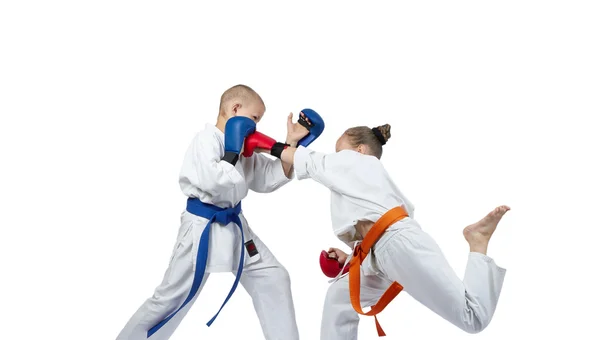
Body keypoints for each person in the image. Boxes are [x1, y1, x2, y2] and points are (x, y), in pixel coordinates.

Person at [260, 123, 509, 339]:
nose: (336, 158)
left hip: (396, 243)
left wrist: (264, 143)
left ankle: (478, 241)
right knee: (339, 296)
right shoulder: (364, 181)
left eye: (340, 151)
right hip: (381, 253)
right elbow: (371, 226)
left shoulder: (355, 162)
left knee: (472, 318)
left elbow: (311, 162)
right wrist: (350, 259)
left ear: (360, 150)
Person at [115, 84, 320, 340]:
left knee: (273, 277)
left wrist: (290, 144)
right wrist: (233, 152)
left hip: (236, 226)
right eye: (254, 118)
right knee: (170, 297)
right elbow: (212, 181)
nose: (256, 125)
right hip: (202, 227)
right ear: (235, 109)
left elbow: (265, 179)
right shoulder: (205, 139)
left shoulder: (242, 145)